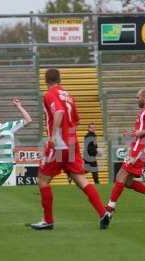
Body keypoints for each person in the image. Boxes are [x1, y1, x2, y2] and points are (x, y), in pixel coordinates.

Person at [29, 69, 111, 230]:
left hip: (59, 143)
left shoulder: (50, 94)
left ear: (46, 80)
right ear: (59, 79)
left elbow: (58, 112)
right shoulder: (68, 95)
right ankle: (103, 213)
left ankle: (48, 220)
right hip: (72, 143)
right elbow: (76, 120)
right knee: (81, 180)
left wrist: (53, 135)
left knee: (43, 179)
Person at [106, 89, 145, 216]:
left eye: (137, 97)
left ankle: (110, 208)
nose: (136, 100)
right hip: (137, 147)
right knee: (127, 182)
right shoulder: (144, 111)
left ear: (144, 97)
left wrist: (142, 135)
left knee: (120, 176)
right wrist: (132, 133)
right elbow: (142, 130)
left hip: (142, 149)